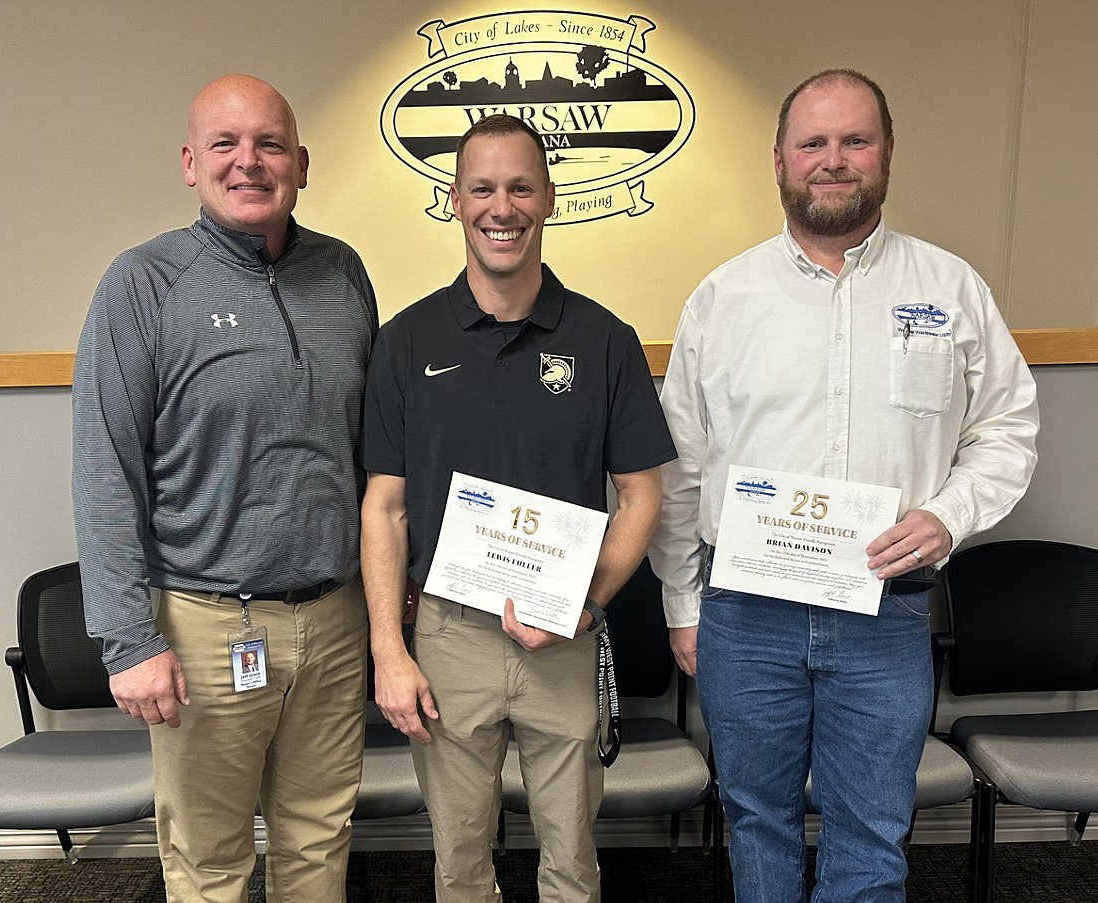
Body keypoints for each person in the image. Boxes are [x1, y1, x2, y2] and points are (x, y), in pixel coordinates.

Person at [649, 69, 1039, 902]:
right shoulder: (723, 298)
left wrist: (948, 514)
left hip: (885, 611)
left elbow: (1007, 430)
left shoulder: (951, 289)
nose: (833, 160)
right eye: (813, 143)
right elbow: (681, 469)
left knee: (871, 830)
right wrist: (683, 604)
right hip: (744, 614)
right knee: (758, 823)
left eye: (854, 140)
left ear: (888, 153)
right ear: (780, 161)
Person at [72, 74, 378, 903]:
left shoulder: (343, 273)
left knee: (321, 838)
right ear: (189, 163)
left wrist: (394, 584)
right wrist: (128, 640)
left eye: (270, 144)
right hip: (207, 624)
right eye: (225, 144)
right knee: (209, 861)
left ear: (302, 163)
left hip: (336, 615)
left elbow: (369, 452)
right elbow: (105, 470)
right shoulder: (142, 283)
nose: (250, 162)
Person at [360, 114, 676, 903]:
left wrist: (589, 600)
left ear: (550, 198)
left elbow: (642, 495)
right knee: (460, 864)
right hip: (447, 635)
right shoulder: (403, 343)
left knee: (571, 861)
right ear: (456, 202)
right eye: (483, 188)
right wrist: (389, 652)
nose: (503, 207)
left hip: (559, 637)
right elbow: (385, 507)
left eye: (521, 186)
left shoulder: (605, 340)